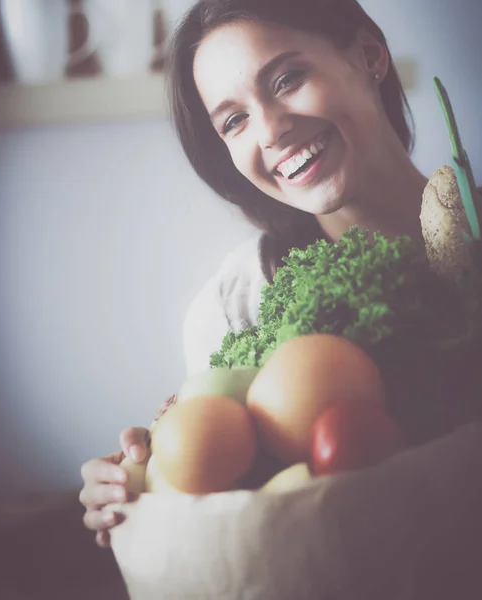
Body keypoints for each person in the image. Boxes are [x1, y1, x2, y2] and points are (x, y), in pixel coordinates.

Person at [79, 0, 481, 560]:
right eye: (234, 120)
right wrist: (145, 475)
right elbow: (240, 501)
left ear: (368, 54)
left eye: (287, 79)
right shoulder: (233, 309)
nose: (270, 130)